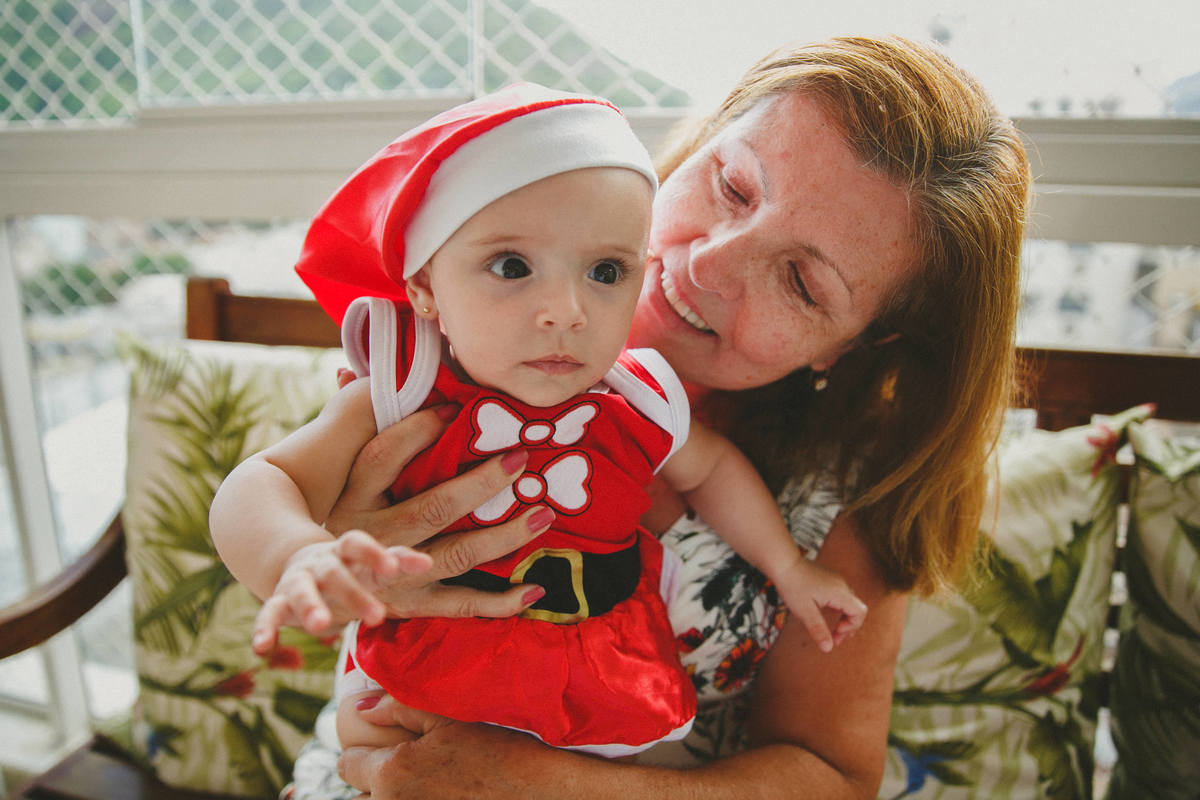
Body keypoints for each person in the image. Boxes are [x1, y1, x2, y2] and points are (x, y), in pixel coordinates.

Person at [283, 34, 1031, 799]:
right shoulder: (448, 348)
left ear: (855, 345)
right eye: (734, 187)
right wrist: (324, 552)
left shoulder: (844, 489)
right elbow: (273, 525)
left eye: (802, 284)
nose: (708, 264)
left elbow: (832, 776)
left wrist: (539, 787)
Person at [209, 83, 867, 760]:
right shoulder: (401, 392)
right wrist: (297, 554)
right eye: (512, 266)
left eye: (605, 271)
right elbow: (261, 482)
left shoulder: (638, 398)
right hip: (427, 683)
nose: (566, 311)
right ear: (425, 287)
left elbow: (713, 470)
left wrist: (788, 565)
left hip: (590, 677)